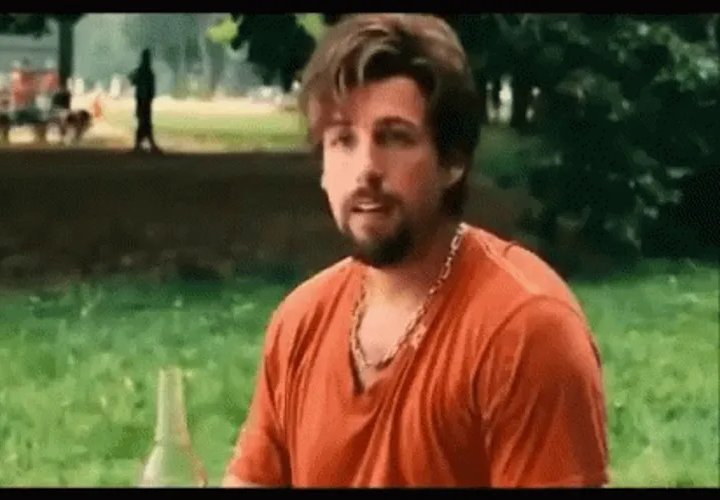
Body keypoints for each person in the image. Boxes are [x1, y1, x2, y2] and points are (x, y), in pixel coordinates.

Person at [222, 14, 609, 488]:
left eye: (394, 137)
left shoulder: (525, 331)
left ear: (452, 162)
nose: (365, 168)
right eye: (343, 140)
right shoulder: (299, 323)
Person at [128, 49, 162, 154]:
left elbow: (132, 81)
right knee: (145, 122)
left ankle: (141, 145)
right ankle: (147, 145)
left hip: (142, 99)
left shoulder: (141, 70)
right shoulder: (147, 71)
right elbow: (149, 87)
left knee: (143, 122)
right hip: (145, 100)